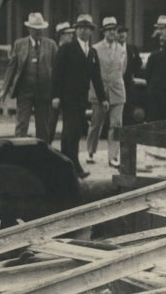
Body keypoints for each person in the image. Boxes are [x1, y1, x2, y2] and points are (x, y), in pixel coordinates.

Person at [52, 14, 107, 178]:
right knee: (72, 131)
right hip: (67, 98)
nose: (83, 31)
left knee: (70, 132)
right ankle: (74, 165)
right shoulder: (67, 49)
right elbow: (57, 74)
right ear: (76, 30)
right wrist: (55, 96)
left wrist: (103, 98)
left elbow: (96, 78)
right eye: (80, 28)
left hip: (82, 99)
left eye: (87, 28)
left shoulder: (92, 52)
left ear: (91, 31)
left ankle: (64, 165)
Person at [0, 12, 57, 142]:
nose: (38, 32)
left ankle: (42, 155)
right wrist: (3, 91)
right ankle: (19, 157)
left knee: (43, 128)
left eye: (40, 29)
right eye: (35, 29)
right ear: (29, 29)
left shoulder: (51, 45)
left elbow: (57, 70)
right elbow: (11, 68)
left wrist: (57, 93)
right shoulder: (19, 44)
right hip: (24, 92)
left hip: (44, 93)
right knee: (21, 125)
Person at [86, 17, 127, 167]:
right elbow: (92, 71)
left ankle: (113, 157)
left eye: (114, 30)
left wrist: (115, 82)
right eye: (108, 30)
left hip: (117, 91)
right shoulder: (95, 48)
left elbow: (123, 70)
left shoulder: (122, 49)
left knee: (116, 124)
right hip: (99, 91)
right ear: (103, 32)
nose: (111, 32)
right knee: (96, 123)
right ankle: (90, 151)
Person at [47, 21, 74, 144]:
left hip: (67, 93)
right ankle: (47, 146)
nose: (71, 36)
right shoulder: (56, 50)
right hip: (56, 94)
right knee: (51, 122)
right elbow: (54, 75)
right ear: (61, 35)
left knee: (68, 125)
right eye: (68, 34)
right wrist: (55, 95)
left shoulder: (70, 50)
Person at [117, 25, 145, 124]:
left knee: (129, 109)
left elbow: (138, 63)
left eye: (124, 32)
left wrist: (132, 74)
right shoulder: (113, 48)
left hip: (128, 85)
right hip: (116, 85)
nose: (122, 34)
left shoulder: (132, 49)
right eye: (119, 32)